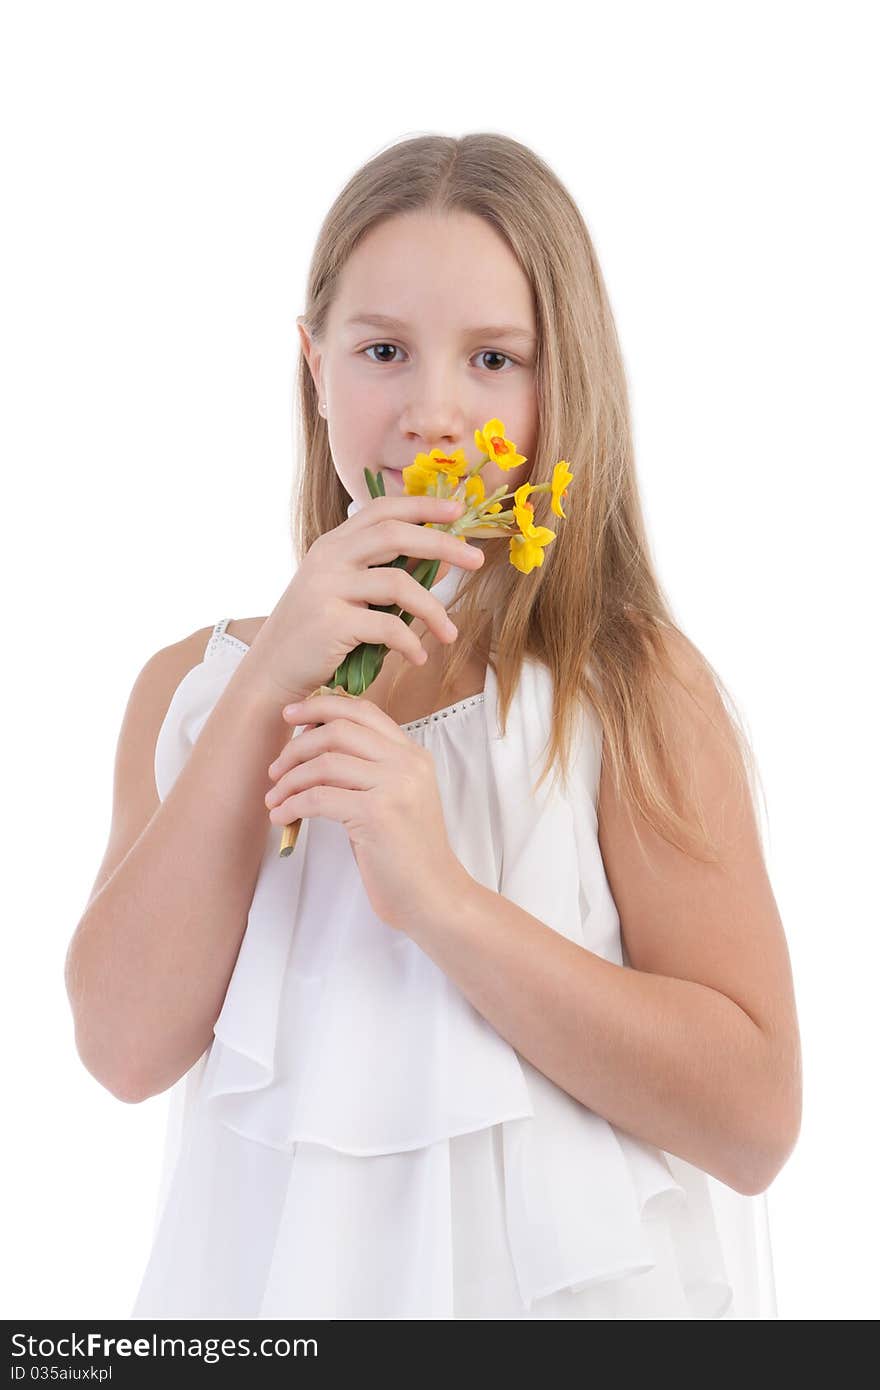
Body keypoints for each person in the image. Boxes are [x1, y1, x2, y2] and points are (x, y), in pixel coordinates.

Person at [64, 132, 801, 1320]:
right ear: (313, 365)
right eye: (383, 350)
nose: (435, 409)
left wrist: (444, 902)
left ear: (565, 381)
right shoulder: (188, 691)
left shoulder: (623, 685)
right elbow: (123, 1048)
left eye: (495, 357)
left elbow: (755, 1119)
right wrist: (263, 696)